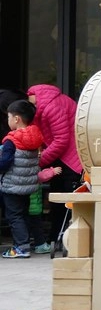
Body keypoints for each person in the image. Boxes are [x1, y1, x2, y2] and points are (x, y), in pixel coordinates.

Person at [26, 84, 84, 250]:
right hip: (63, 160)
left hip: (70, 161)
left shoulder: (52, 107)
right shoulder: (46, 106)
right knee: (60, 202)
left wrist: (38, 162)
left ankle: (61, 240)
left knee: (63, 202)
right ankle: (56, 239)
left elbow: (61, 141)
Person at [1, 100, 45, 259]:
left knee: (14, 216)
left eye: (8, 117)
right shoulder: (35, 137)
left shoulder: (11, 140)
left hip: (12, 186)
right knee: (23, 214)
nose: (8, 120)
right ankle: (22, 243)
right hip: (27, 186)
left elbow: (5, 163)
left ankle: (21, 247)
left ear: (17, 119)